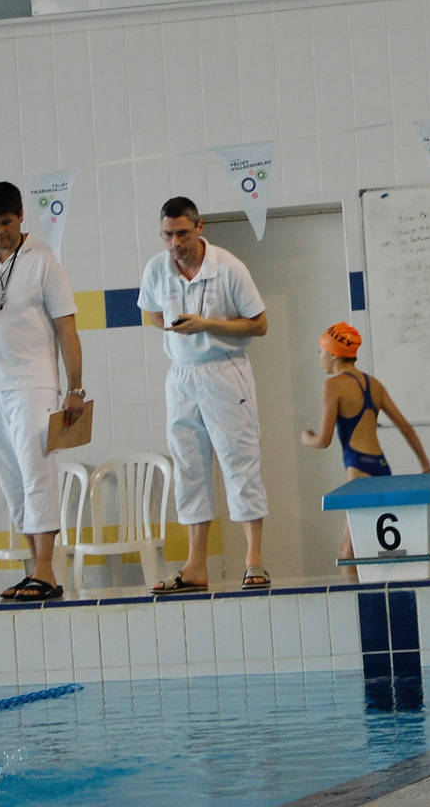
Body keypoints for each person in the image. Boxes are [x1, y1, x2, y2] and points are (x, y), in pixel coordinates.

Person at [0, 181, 84, 602]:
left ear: (21, 217)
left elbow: (67, 330)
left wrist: (76, 388)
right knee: (13, 483)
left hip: (34, 384)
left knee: (37, 474)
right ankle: (37, 572)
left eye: (6, 222)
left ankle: (45, 570)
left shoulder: (44, 261)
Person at [138, 197, 271, 592]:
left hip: (224, 370)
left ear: (200, 227)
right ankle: (195, 565)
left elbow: (259, 324)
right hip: (181, 375)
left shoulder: (228, 268)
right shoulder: (157, 268)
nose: (175, 243)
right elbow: (152, 312)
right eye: (167, 235)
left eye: (182, 233)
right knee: (189, 467)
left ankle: (253, 559)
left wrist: (206, 326)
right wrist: (181, 331)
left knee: (239, 461)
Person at [300, 321, 430, 566]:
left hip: (359, 471)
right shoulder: (374, 385)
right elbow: (405, 427)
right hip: (382, 469)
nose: (319, 357)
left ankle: (357, 593)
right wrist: (426, 465)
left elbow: (324, 440)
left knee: (347, 551)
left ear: (333, 353)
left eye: (321, 351)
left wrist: (306, 438)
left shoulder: (333, 386)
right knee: (374, 548)